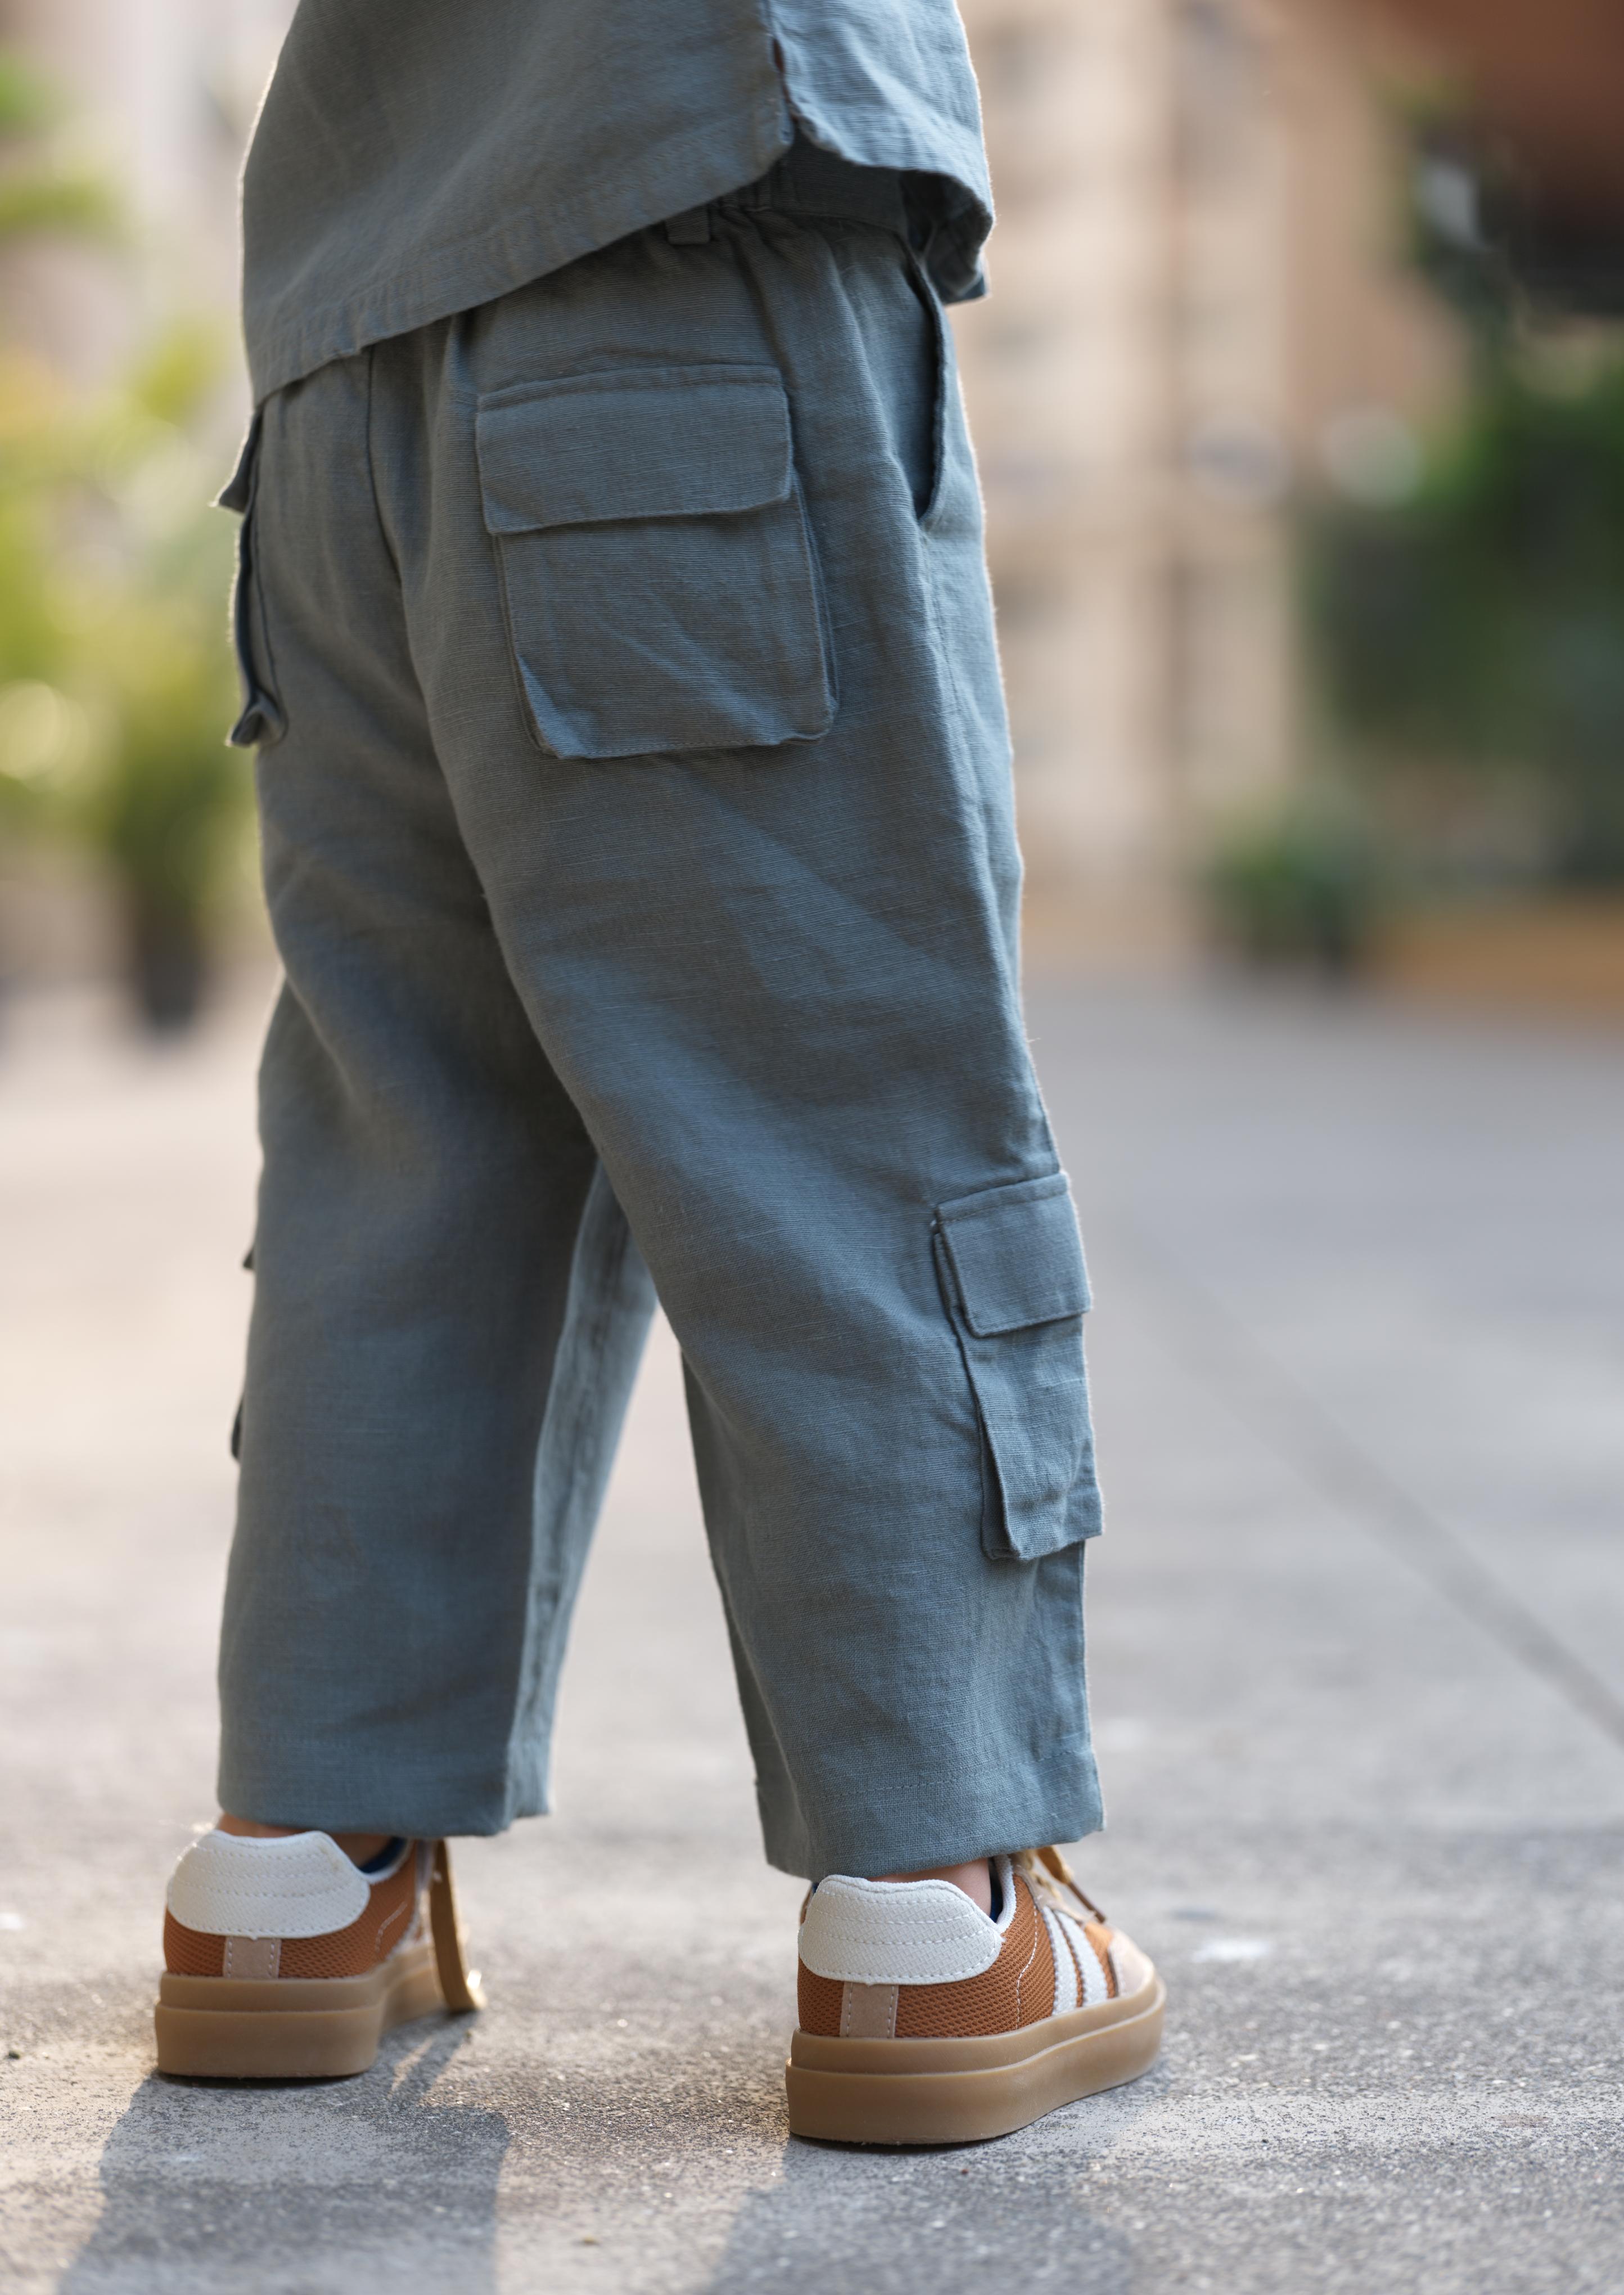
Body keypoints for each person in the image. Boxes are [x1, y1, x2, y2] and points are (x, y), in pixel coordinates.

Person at [151, 0, 1164, 2143]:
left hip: (339, 370)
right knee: (827, 1095)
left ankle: (297, 1878)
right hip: (679, 253)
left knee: (405, 1132)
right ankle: (940, 1890)